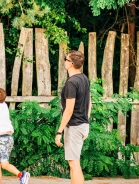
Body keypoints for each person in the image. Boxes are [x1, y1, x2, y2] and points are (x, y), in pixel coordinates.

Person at [55, 50, 92, 184]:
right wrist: (86, 122)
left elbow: (69, 110)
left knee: (74, 164)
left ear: (71, 63)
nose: (64, 61)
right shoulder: (84, 78)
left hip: (75, 127)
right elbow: (90, 103)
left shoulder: (71, 83)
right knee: (73, 163)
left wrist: (59, 131)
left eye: (66, 59)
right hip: (82, 125)